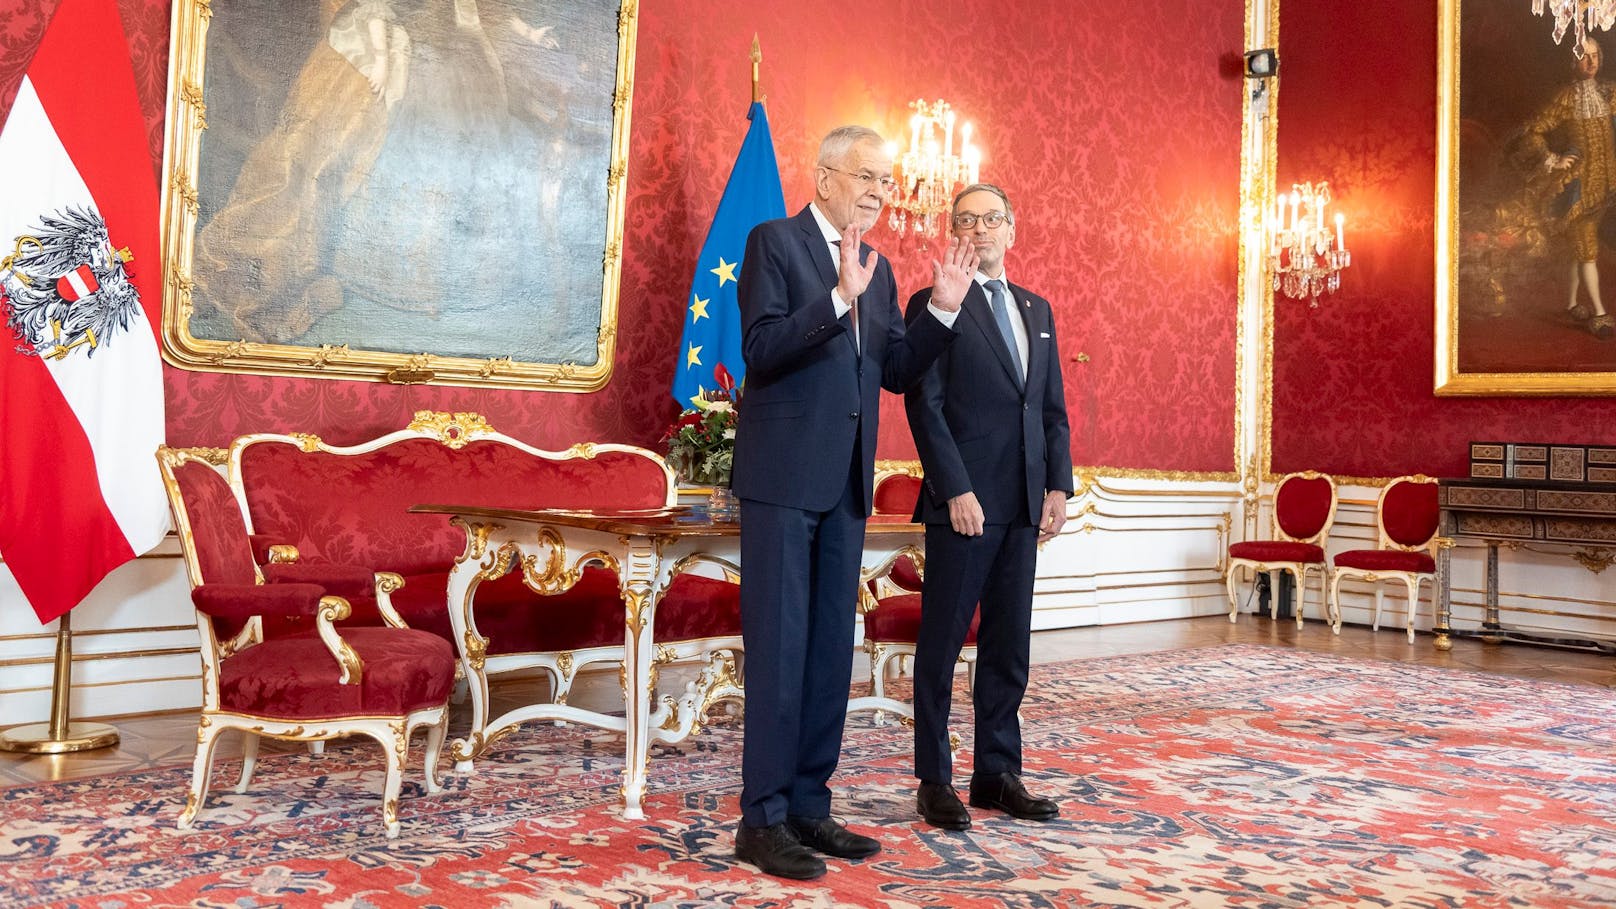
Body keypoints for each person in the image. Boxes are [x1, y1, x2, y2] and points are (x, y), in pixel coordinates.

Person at [731, 125, 978, 881]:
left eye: (886, 181)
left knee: (830, 653)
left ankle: (809, 803)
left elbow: (895, 371)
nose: (878, 191)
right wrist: (838, 297)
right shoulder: (773, 242)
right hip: (781, 483)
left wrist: (938, 310)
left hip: (844, 488)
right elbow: (762, 349)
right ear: (825, 174)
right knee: (779, 650)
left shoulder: (880, 261)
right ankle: (762, 818)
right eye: (867, 176)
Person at [903, 183, 1073, 831]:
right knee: (942, 645)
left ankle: (997, 773)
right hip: (964, 506)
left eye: (990, 219)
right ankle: (934, 777)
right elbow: (927, 405)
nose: (978, 229)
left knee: (1008, 648)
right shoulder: (936, 303)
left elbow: (1051, 409)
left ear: (1011, 229)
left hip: (1026, 507)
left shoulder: (1038, 309)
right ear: (953, 232)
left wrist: (1058, 485)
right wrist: (955, 488)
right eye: (965, 220)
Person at [1521, 36, 1616, 340]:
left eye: (1595, 56)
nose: (1591, 63)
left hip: (1607, 187)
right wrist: (1554, 159)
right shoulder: (1565, 98)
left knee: (1580, 249)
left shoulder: (1609, 92)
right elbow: (1533, 131)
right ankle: (1600, 314)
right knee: (1587, 248)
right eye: (1584, 57)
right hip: (1578, 189)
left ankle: (1572, 303)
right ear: (1572, 62)